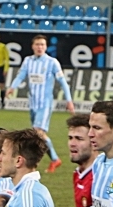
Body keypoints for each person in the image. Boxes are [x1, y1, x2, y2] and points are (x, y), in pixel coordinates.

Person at [6, 34, 75, 173]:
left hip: (45, 103)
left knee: (38, 132)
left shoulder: (52, 62)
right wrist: (12, 87)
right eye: (37, 44)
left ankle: (51, 160)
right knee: (38, 135)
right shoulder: (28, 61)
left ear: (46, 47)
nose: (40, 47)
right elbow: (21, 75)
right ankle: (54, 160)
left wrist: (69, 100)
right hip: (33, 104)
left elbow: (63, 82)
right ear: (33, 46)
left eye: (42, 44)